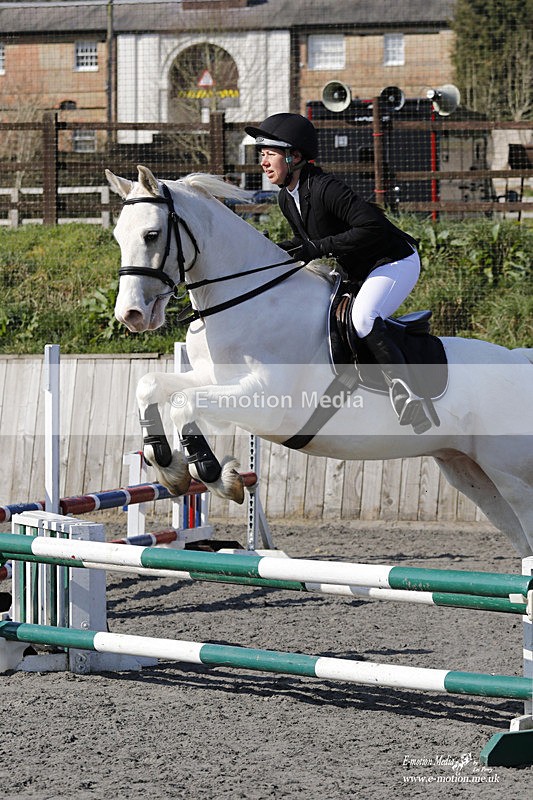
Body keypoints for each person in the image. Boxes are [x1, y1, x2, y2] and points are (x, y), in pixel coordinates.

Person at [245, 112, 431, 433]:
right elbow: (308, 243)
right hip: (357, 270)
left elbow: (371, 227)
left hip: (393, 261)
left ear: (295, 156)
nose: (263, 162)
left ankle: (407, 394)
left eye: (270, 153)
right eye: (262, 154)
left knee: (363, 319)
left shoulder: (325, 188)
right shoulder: (286, 199)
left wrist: (316, 249)